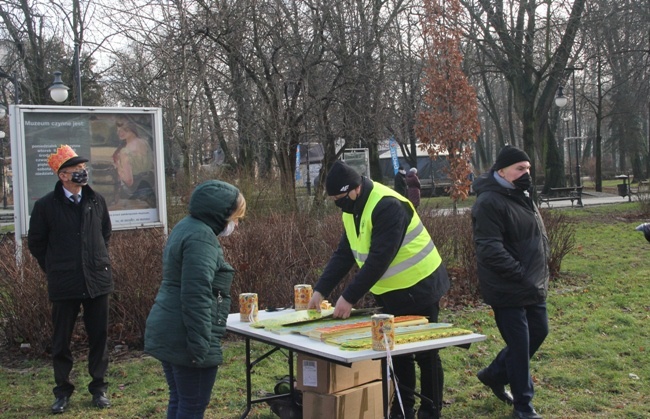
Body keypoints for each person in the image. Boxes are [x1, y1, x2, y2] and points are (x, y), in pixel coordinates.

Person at [307, 160, 450, 419]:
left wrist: (348, 297)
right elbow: (344, 253)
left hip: (421, 284)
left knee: (426, 354)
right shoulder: (351, 210)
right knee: (395, 352)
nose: (338, 203)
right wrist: (320, 290)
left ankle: (431, 411)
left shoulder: (388, 205)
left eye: (340, 197)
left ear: (355, 189)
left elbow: (379, 259)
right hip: (391, 292)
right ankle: (402, 410)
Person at [144, 180, 246, 418]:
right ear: (219, 213)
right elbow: (196, 294)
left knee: (180, 399)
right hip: (185, 334)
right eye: (235, 217)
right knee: (192, 404)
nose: (236, 224)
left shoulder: (185, 227)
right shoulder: (201, 238)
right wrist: (200, 347)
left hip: (170, 327)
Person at [28, 145, 113, 414]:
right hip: (64, 282)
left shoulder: (96, 200)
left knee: (99, 336)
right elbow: (37, 243)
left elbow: (104, 234)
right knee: (61, 339)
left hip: (97, 281)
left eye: (83, 169)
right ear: (62, 176)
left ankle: (98, 388)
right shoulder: (45, 206)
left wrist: (94, 262)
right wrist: (54, 267)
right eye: (76, 170)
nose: (82, 173)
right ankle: (62, 391)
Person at [471, 145, 549, 419]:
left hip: (531, 284)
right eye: (520, 168)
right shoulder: (489, 201)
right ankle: (523, 407)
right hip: (507, 286)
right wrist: (520, 273)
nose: (526, 173)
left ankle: (494, 374)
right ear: (501, 171)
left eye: (528, 168)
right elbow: (489, 249)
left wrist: (535, 274)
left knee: (539, 332)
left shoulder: (522, 194)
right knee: (519, 346)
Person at [112, 116, 156, 207]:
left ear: (132, 129)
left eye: (124, 130)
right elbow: (152, 165)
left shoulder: (125, 152)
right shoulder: (145, 143)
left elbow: (128, 181)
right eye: (118, 130)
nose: (120, 132)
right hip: (150, 189)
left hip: (134, 193)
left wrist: (119, 167)